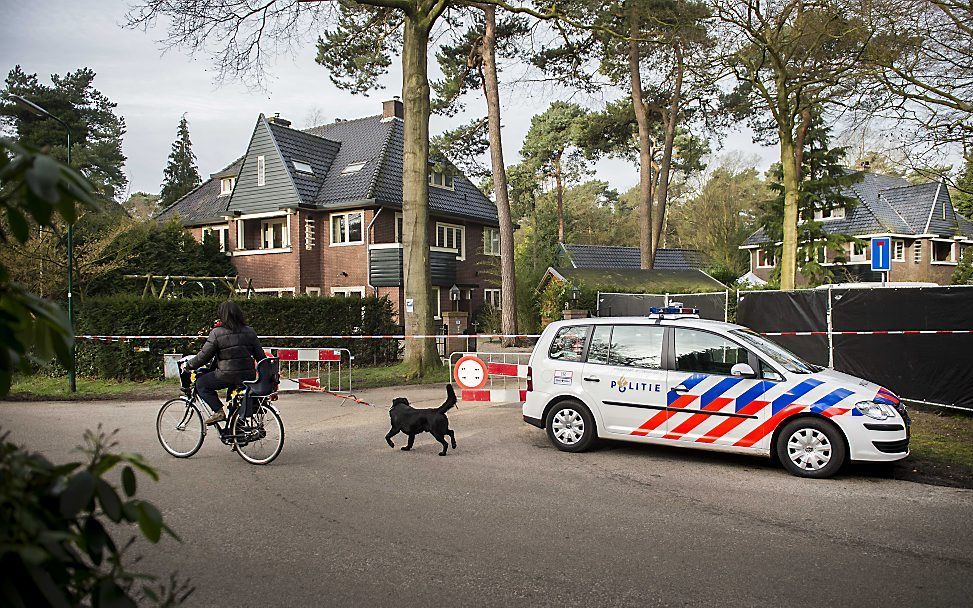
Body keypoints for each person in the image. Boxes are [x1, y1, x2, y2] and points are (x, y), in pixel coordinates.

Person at [181, 301, 265, 425]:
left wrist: (188, 365)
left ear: (222, 315)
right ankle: (237, 433)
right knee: (234, 401)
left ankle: (218, 411)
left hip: (226, 375)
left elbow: (203, 357)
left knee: (201, 384)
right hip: (247, 376)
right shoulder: (250, 331)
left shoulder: (217, 333)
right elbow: (261, 357)